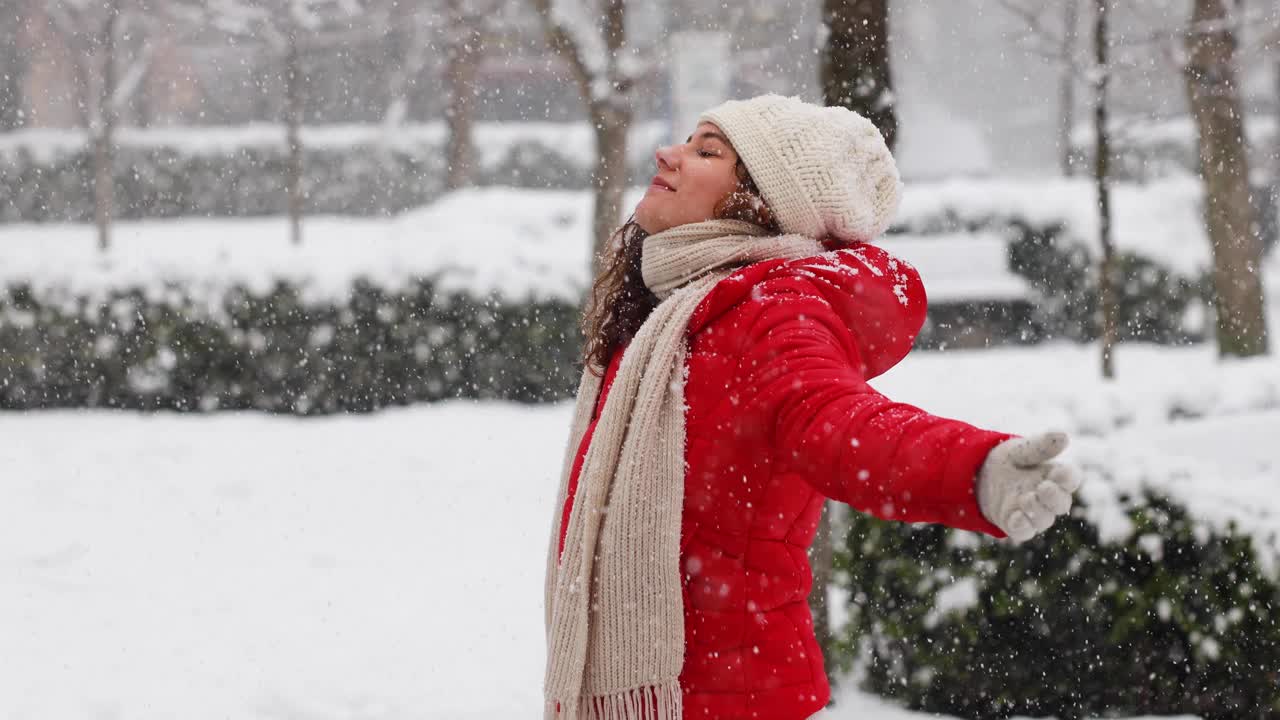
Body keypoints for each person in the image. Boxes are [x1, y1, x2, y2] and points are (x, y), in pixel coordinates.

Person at [542, 94, 1083, 720]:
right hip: (686, 693)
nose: (669, 153)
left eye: (706, 150)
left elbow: (839, 425)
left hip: (737, 699)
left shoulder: (772, 313)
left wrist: (975, 469)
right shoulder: (675, 315)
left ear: (763, 203)